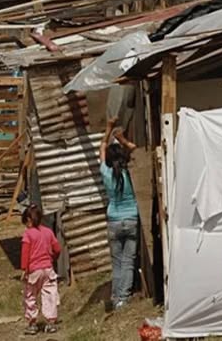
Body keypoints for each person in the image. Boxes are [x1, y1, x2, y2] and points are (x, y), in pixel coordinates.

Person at [99, 116, 139, 310]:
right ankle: (123, 298)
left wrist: (108, 128)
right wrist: (122, 139)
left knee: (117, 263)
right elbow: (134, 149)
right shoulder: (129, 172)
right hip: (131, 219)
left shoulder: (106, 174)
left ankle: (115, 298)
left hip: (114, 221)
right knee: (128, 262)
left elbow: (102, 147)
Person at [20, 204, 61, 336]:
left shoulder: (28, 234)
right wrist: (53, 258)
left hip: (33, 271)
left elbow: (25, 253)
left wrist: (24, 269)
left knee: (30, 296)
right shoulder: (48, 232)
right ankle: (51, 323)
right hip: (48, 269)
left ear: (29, 220)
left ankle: (32, 323)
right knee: (49, 295)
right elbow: (57, 249)